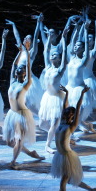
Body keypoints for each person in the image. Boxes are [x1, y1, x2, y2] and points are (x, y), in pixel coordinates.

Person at [52, 85, 96, 191]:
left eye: (69, 113)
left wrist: (82, 93)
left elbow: (77, 108)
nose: (65, 113)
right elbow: (64, 106)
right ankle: (93, 190)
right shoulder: (61, 123)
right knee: (71, 179)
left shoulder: (71, 126)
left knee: (64, 181)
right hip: (60, 156)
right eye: (66, 112)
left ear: (71, 116)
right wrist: (66, 93)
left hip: (66, 157)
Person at [3, 42, 45, 168]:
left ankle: (13, 162)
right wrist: (20, 51)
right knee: (9, 142)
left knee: (19, 139)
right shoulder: (12, 81)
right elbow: (13, 64)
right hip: (12, 114)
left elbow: (27, 65)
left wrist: (27, 52)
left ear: (25, 73)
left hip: (21, 114)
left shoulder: (26, 84)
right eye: (17, 69)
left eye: (21, 69)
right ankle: (31, 153)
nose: (18, 69)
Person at [39, 23, 70, 153]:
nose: (52, 56)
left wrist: (64, 38)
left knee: (53, 123)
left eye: (55, 55)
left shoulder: (60, 69)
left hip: (57, 99)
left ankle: (47, 145)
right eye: (52, 55)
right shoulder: (47, 67)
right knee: (41, 125)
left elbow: (64, 58)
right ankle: (59, 135)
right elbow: (46, 51)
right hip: (47, 97)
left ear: (58, 58)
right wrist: (47, 37)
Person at [6, 15, 43, 116]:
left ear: (31, 42)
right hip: (18, 79)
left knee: (29, 104)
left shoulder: (32, 52)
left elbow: (35, 37)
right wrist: (13, 25)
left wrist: (38, 23)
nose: (25, 39)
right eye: (25, 38)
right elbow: (17, 36)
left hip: (28, 79)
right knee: (22, 102)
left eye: (28, 39)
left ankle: (42, 117)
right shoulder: (21, 50)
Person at [65, 18, 95, 134]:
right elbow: (72, 42)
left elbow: (86, 46)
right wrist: (77, 29)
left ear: (82, 49)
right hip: (69, 89)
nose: (76, 47)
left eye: (79, 46)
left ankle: (69, 137)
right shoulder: (71, 57)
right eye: (76, 46)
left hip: (79, 90)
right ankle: (87, 126)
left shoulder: (84, 59)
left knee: (76, 117)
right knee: (72, 118)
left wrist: (86, 30)